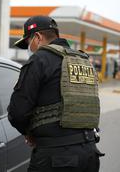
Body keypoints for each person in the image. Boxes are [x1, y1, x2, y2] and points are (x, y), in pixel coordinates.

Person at [7, 16, 104, 172]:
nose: (29, 49)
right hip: (90, 154)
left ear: (37, 37)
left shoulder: (39, 60)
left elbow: (18, 112)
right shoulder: (84, 60)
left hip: (57, 157)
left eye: (28, 44)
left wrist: (28, 132)